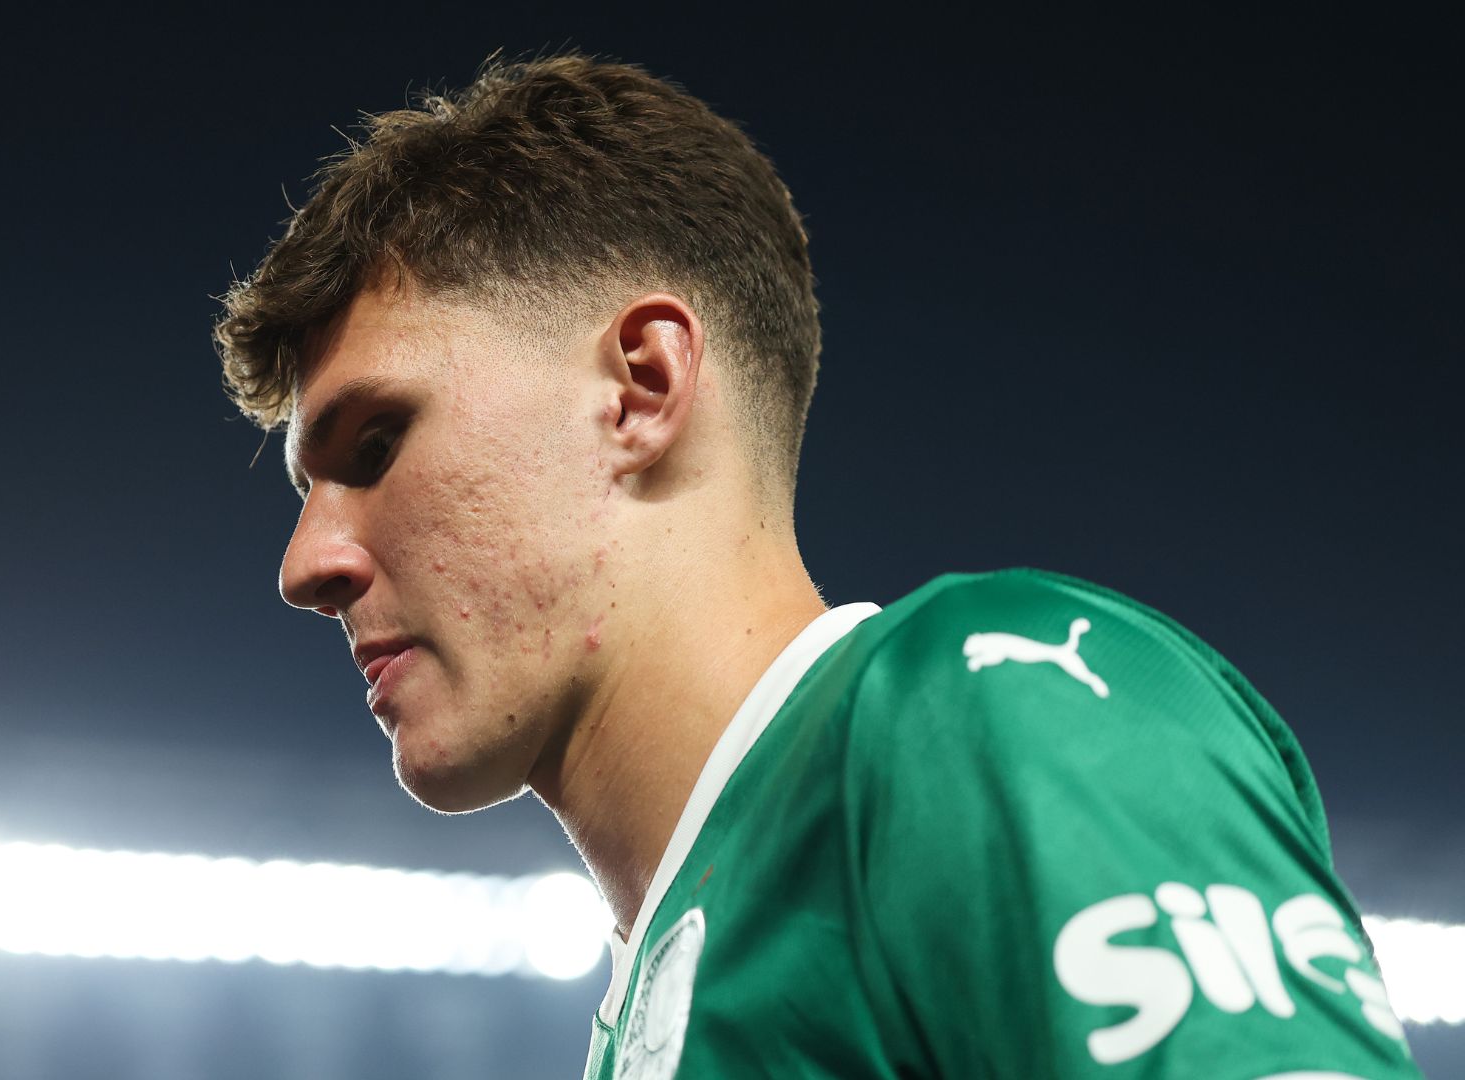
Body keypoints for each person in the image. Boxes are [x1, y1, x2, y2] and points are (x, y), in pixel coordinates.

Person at [211, 54, 1423, 1079]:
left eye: (377, 444)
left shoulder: (989, 702)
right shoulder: (646, 1013)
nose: (306, 564)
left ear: (641, 390)